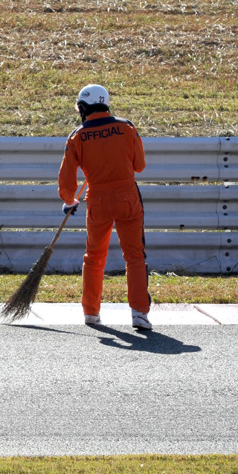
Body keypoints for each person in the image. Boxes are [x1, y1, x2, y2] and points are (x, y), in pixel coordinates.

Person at [58, 84, 152, 330]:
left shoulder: (77, 136)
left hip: (98, 200)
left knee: (94, 257)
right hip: (128, 198)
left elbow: (66, 182)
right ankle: (139, 314)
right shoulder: (127, 127)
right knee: (134, 256)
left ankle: (91, 312)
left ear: (83, 107)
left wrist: (69, 200)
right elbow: (139, 165)